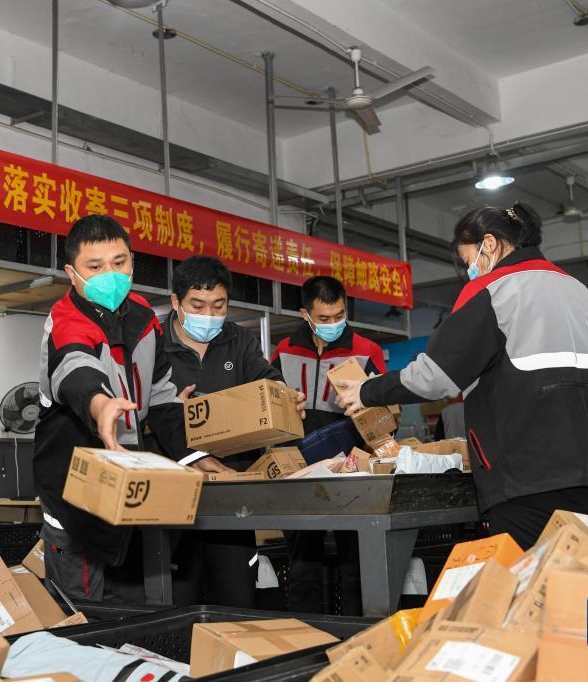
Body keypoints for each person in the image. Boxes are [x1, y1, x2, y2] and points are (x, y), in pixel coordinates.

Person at [334, 203, 588, 550]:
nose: (470, 270)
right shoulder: (581, 293)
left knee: (529, 582)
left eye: (468, 259)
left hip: (528, 483)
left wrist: (367, 391)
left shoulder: (494, 289)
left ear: (489, 244)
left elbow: (437, 375)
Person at [34, 215, 228, 603]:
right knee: (83, 610)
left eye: (119, 262)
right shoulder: (65, 320)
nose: (110, 274)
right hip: (75, 492)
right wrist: (102, 405)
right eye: (95, 266)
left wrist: (196, 456)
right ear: (72, 273)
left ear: (132, 261)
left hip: (130, 484)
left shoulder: (143, 317)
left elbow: (162, 397)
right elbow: (75, 367)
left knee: (136, 604)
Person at [162, 256, 304, 607]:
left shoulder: (239, 341)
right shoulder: (153, 344)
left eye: (219, 305)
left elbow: (266, 380)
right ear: (176, 302)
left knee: (235, 598)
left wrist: (285, 398)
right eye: (198, 306)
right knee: (177, 601)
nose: (209, 315)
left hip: (231, 496)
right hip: (174, 501)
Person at [270, 275, 387, 615]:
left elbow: (385, 415)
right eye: (324, 318)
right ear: (305, 314)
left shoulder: (367, 351)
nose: (333, 323)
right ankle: (306, 632)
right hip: (300, 472)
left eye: (339, 315)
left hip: (352, 471)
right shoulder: (285, 350)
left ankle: (356, 633)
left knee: (355, 564)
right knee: (303, 565)